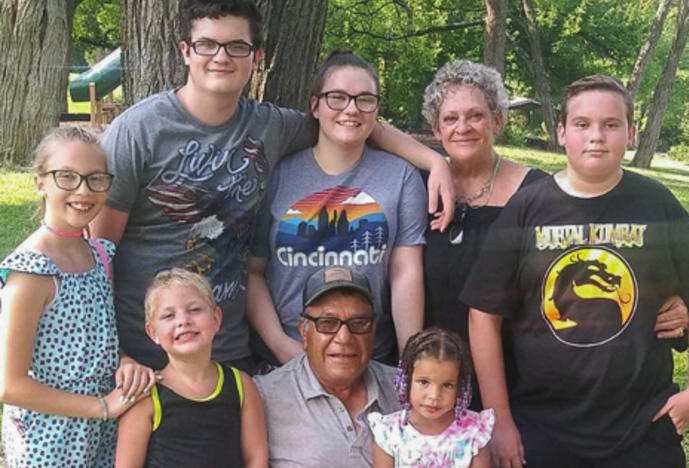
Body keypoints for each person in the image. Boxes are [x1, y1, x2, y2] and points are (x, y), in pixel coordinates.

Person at [91, 0, 454, 373]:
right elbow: (97, 256)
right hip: (148, 350)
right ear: (186, 51)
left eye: (237, 46)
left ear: (256, 57)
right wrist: (117, 354)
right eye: (207, 45)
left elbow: (348, 120)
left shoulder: (270, 127)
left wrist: (432, 161)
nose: (221, 57)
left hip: (229, 347)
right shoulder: (138, 131)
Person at [421, 60, 689, 409]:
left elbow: (597, 251)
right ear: (436, 128)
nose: (463, 127)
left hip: (521, 381)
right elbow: (370, 130)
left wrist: (677, 301)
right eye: (450, 119)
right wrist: (433, 162)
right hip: (433, 376)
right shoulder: (420, 188)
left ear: (498, 120)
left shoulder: (537, 195)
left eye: (476, 116)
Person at [465, 75, 689, 468]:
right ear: (561, 133)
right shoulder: (527, 210)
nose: (597, 136)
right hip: (541, 425)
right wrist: (500, 420)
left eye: (611, 125)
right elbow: (483, 315)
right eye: (582, 124)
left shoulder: (657, 204)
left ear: (631, 134)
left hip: (642, 425)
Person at [247, 50, 426, 365]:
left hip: (368, 357)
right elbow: (253, 271)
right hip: (288, 357)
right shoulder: (277, 175)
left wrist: (410, 363)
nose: (352, 109)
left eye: (365, 99)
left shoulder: (401, 177)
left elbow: (405, 272)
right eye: (338, 98)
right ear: (315, 106)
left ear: (376, 109)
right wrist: (281, 346)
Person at [0, 127, 154, 468]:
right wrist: (102, 407)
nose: (83, 191)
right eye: (66, 177)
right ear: (40, 182)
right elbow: (10, 385)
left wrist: (124, 359)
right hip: (49, 442)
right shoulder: (31, 272)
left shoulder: (99, 253)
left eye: (95, 179)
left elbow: (99, 334)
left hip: (99, 434)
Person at [115, 268, 267, 468]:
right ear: (153, 332)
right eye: (168, 315)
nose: (183, 321)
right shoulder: (146, 395)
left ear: (216, 318)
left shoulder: (242, 385)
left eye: (194, 310)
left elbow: (256, 460)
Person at [254, 266, 400, 467]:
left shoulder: (405, 389)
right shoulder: (263, 397)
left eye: (358, 323)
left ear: (373, 329)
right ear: (304, 331)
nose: (344, 337)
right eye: (327, 323)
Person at [369, 328, 493, 468]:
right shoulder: (389, 434)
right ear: (406, 379)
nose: (434, 396)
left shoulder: (474, 432)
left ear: (460, 387)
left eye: (447, 385)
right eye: (423, 382)